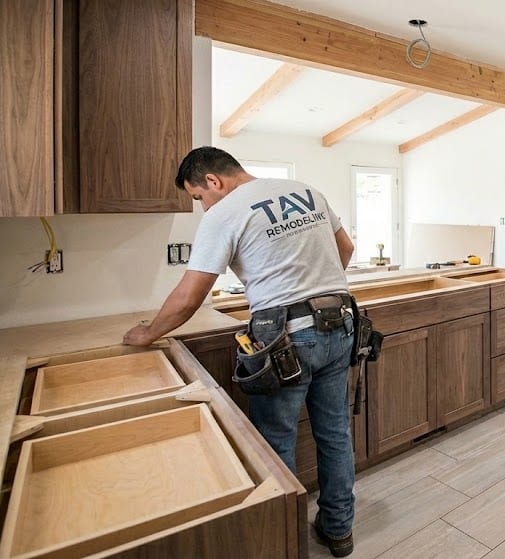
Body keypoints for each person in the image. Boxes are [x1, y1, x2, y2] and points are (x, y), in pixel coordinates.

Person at [123, 146, 357, 557]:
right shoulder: (306, 190)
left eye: (197, 197)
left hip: (285, 339)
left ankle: (284, 542)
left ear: (213, 181)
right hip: (340, 324)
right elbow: (346, 251)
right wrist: (313, 284)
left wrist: (148, 332)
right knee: (335, 433)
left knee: (275, 440)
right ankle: (339, 530)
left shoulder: (225, 212)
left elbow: (191, 295)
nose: (201, 207)